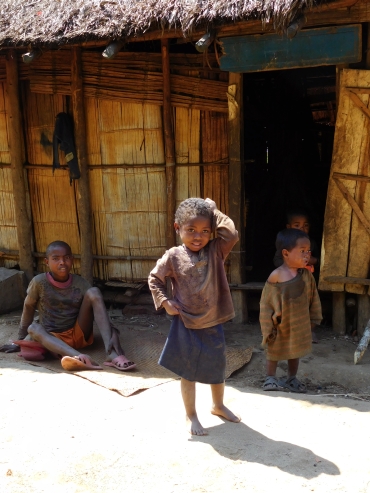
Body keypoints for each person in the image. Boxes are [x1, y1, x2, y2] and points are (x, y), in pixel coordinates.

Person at [148, 198, 241, 436]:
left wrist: (213, 209)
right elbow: (154, 279)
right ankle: (191, 415)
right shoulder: (173, 256)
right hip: (186, 323)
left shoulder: (216, 251)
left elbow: (230, 232)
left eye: (205, 231)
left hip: (213, 321)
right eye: (191, 230)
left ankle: (218, 406)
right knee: (187, 372)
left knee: (217, 368)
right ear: (177, 228)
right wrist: (166, 302)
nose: (198, 237)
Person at [0, 241, 136, 372]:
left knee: (94, 292)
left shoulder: (80, 283)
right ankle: (78, 357)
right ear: (47, 262)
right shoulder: (39, 282)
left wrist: (113, 334)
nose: (62, 262)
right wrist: (19, 339)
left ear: (72, 259)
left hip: (78, 333)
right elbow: (28, 308)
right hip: (52, 338)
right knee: (33, 329)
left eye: (66, 258)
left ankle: (111, 353)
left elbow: (99, 311)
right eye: (56, 258)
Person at [260, 228, 322, 393]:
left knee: (295, 352)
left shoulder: (306, 275)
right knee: (274, 350)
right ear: (286, 253)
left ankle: (291, 378)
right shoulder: (277, 276)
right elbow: (266, 302)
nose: (307, 255)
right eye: (302, 251)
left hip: (299, 323)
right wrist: (268, 325)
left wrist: (313, 319)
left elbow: (313, 297)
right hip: (280, 324)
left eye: (308, 251)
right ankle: (270, 378)